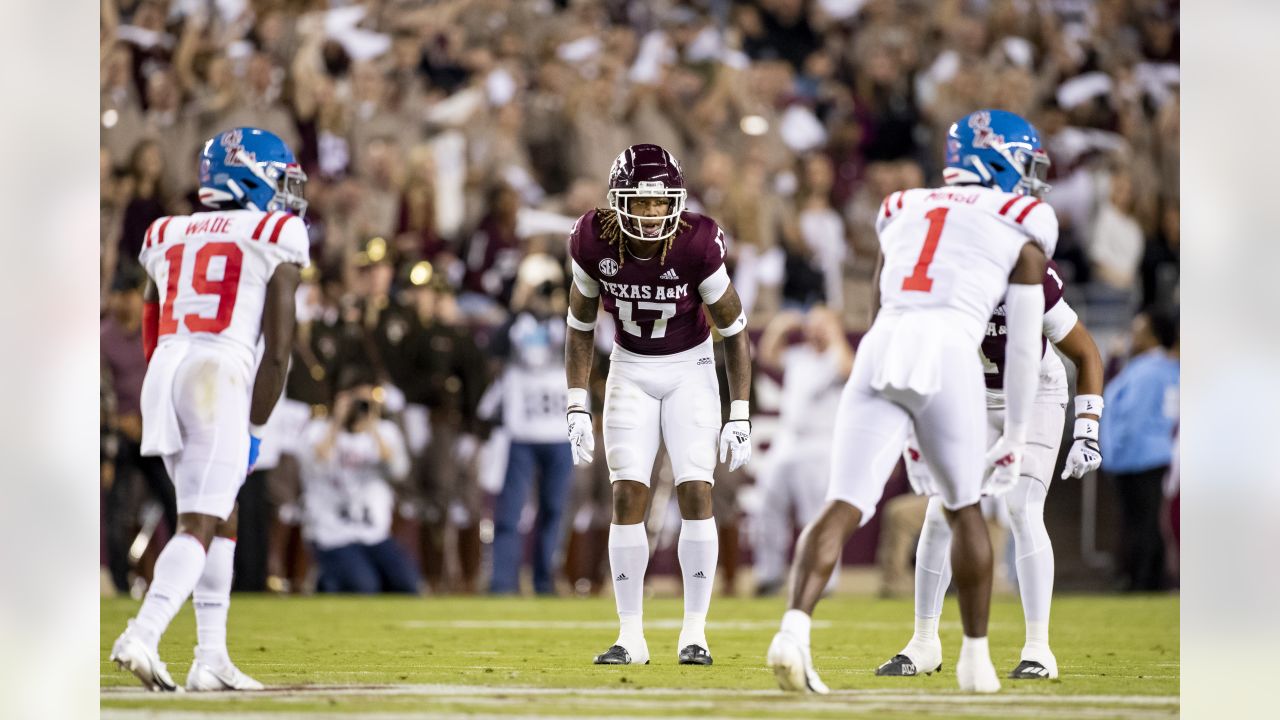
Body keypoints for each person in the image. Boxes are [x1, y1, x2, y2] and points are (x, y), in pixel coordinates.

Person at [767, 110, 1059, 694]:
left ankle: (793, 631)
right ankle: (975, 662)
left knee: (844, 501)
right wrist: (1017, 433)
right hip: (949, 350)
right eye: (1023, 163)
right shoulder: (1025, 217)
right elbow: (1025, 347)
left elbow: (879, 302)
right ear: (998, 159)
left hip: (882, 346)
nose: (1030, 178)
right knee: (963, 506)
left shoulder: (900, 205)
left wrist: (900, 413)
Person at [110, 127, 309, 691]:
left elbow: (152, 313)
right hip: (217, 371)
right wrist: (253, 430)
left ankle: (211, 657)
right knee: (199, 521)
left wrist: (159, 377)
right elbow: (279, 356)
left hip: (168, 366)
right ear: (250, 178)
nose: (288, 195)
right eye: (280, 181)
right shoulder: (275, 232)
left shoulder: (166, 230)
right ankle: (142, 634)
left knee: (221, 514)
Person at [565, 143, 754, 666]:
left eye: (659, 203)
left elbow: (736, 332)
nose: (650, 214)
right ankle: (630, 636)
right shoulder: (591, 238)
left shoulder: (696, 243)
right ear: (617, 201)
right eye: (640, 203)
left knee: (697, 490)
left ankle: (695, 633)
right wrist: (576, 404)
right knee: (627, 495)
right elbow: (580, 325)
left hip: (690, 369)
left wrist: (739, 413)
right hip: (628, 368)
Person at [876, 260, 1105, 681]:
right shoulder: (940, 277)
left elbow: (1086, 352)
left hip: (1035, 394)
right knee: (940, 510)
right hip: (973, 398)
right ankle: (924, 642)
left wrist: (1087, 430)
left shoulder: (1027, 272)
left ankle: (1039, 649)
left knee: (1022, 508)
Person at [486, 255, 575, 595]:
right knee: (510, 511)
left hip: (558, 432)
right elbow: (493, 350)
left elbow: (595, 352)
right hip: (522, 433)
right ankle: (503, 581)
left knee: (554, 510)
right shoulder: (514, 326)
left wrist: (563, 306)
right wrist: (520, 306)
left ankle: (545, 580)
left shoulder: (567, 324)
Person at [752, 306, 853, 597]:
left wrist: (833, 330)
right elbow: (768, 355)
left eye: (822, 323)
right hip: (788, 439)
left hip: (820, 443)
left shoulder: (837, 355)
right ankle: (769, 575)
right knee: (767, 506)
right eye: (813, 323)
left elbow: (848, 367)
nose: (815, 328)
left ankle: (823, 579)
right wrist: (781, 326)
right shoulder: (799, 356)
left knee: (817, 513)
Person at [299, 380, 419, 594]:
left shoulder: (385, 432)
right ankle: (325, 580)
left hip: (374, 533)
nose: (362, 407)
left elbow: (398, 470)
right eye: (358, 400)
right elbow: (315, 463)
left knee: (409, 585)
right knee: (364, 586)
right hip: (333, 533)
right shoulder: (319, 430)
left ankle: (343, 577)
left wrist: (371, 424)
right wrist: (337, 421)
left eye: (368, 402)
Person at [102, 270, 177, 594]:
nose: (125, 301)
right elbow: (98, 391)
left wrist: (151, 418)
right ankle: (119, 583)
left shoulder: (157, 330)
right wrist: (118, 421)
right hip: (118, 439)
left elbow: (168, 379)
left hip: (155, 431)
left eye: (131, 294)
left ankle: (181, 580)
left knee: (176, 504)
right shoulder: (101, 337)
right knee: (117, 511)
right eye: (120, 295)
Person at [1100, 305, 1179, 591]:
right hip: (1148, 453)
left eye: (1138, 331)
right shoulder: (1155, 368)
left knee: (1143, 523)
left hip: (1140, 455)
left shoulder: (1149, 371)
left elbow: (1132, 417)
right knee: (1143, 521)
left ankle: (1145, 581)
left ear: (1154, 337)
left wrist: (1114, 451)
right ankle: (1143, 578)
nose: (1132, 336)